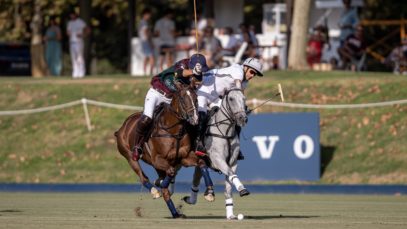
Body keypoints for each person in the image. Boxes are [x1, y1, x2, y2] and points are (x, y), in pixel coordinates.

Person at [132, 53, 209, 161]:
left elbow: (197, 84)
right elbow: (178, 73)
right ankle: (137, 146)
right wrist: (193, 71)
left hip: (171, 99)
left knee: (186, 121)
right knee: (147, 118)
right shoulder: (183, 63)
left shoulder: (199, 73)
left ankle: (193, 146)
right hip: (157, 92)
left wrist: (197, 76)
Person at [195, 57, 263, 159]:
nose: (252, 75)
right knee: (202, 115)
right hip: (204, 89)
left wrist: (242, 109)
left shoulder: (245, 82)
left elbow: (237, 97)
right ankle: (199, 144)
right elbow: (238, 89)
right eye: (252, 72)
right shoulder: (237, 70)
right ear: (245, 67)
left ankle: (235, 147)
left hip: (216, 98)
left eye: (255, 74)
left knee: (234, 118)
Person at [67, 11, 89, 78]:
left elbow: (87, 30)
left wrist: (83, 35)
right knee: (73, 58)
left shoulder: (80, 22)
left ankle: (81, 72)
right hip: (72, 42)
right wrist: (69, 34)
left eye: (73, 15)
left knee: (79, 57)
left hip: (79, 42)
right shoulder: (70, 23)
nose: (72, 16)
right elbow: (68, 31)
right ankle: (75, 72)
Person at [139, 8, 155, 76]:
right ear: (145, 14)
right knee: (151, 57)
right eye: (149, 15)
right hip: (146, 41)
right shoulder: (144, 22)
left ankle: (145, 72)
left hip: (143, 41)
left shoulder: (141, 22)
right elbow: (146, 32)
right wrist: (150, 42)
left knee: (146, 57)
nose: (149, 16)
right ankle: (150, 72)